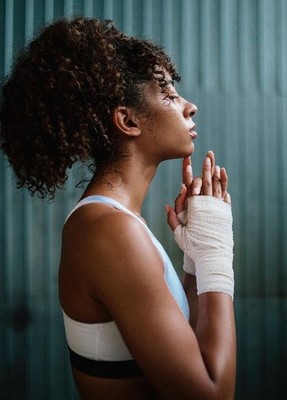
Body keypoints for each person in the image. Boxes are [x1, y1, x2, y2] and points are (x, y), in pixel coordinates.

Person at [0, 17, 236, 400]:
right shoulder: (108, 229)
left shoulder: (114, 222)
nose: (189, 106)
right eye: (169, 95)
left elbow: (194, 349)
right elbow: (212, 393)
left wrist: (196, 261)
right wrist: (216, 252)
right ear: (127, 120)